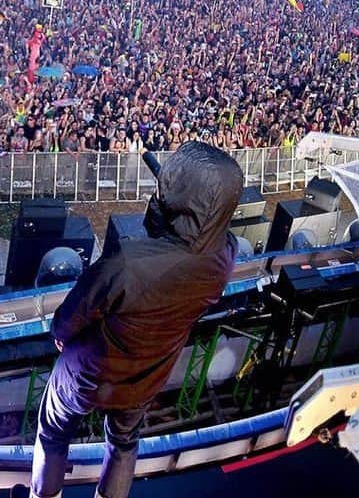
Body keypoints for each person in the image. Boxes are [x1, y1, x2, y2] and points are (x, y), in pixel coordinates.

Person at [29, 142, 243, 498]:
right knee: (124, 442)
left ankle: (44, 495)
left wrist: (61, 334)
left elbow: (72, 315)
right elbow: (200, 238)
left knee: (53, 431)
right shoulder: (225, 258)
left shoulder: (127, 262)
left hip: (89, 371)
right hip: (148, 375)